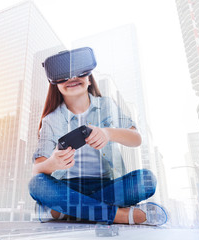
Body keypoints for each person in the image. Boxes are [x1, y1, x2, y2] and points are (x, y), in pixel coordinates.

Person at [28, 47, 168, 226]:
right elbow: (37, 170)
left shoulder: (107, 105)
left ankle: (67, 211)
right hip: (67, 187)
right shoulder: (51, 119)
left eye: (79, 73)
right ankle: (120, 216)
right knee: (37, 184)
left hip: (107, 186)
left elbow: (136, 138)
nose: (72, 78)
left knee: (146, 180)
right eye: (64, 76)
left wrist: (108, 133)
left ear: (89, 78)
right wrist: (53, 162)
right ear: (55, 83)